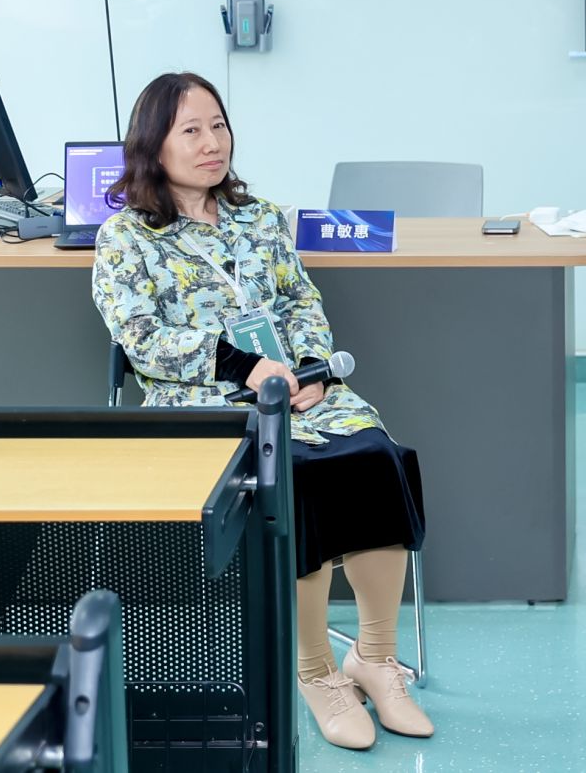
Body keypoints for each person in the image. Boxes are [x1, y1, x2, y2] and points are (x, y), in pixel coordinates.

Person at [90, 71, 430, 751]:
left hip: (298, 391)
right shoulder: (127, 238)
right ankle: (316, 671)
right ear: (153, 145)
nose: (211, 143)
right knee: (295, 480)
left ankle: (375, 658)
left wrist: (312, 370)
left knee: (375, 459)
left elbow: (301, 302)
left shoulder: (262, 218)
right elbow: (141, 337)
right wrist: (241, 366)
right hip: (207, 402)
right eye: (191, 130)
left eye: (218, 126)